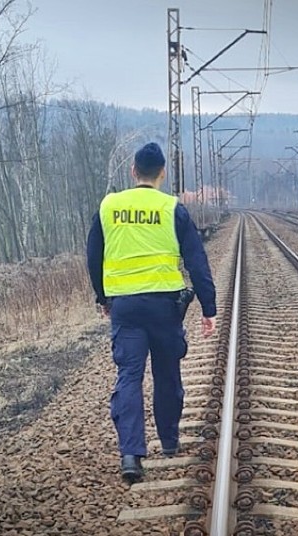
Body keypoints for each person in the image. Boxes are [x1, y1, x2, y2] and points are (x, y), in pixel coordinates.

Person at [86, 142, 217, 483]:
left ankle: (131, 455)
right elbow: (197, 262)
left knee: (129, 376)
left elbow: (93, 255)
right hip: (163, 306)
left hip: (125, 307)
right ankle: (170, 442)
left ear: (133, 171)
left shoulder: (109, 206)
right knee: (167, 371)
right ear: (163, 172)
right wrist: (209, 307)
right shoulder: (172, 208)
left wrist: (102, 297)